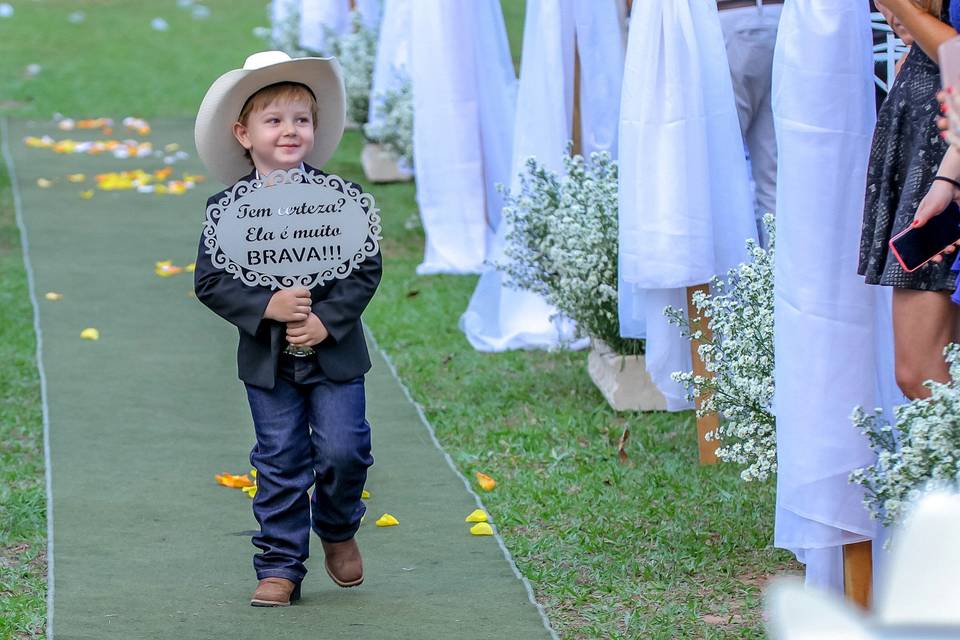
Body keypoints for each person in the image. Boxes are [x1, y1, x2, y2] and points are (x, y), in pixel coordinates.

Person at [193, 51, 382, 606]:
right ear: (243, 133)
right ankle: (279, 564)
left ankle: (338, 523)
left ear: (314, 129)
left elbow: (365, 268)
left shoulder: (340, 202)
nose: (289, 130)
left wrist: (326, 320)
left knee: (345, 451)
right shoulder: (227, 210)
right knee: (279, 459)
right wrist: (265, 306)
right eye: (273, 120)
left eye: (300, 119)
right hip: (268, 364)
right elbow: (211, 281)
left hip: (335, 357)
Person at [860, 0, 959, 399]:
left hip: (938, 153)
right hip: (936, 153)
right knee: (931, 366)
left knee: (921, 373)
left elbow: (953, 47)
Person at [717, 0, 782, 247]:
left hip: (729, 16)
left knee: (722, 165)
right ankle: (770, 274)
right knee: (773, 171)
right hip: (781, 16)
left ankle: (734, 272)